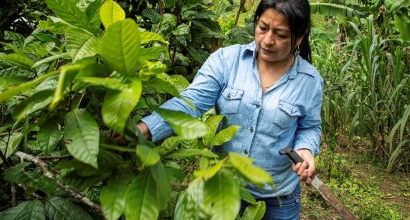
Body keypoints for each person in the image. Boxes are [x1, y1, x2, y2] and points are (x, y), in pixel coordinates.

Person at [137, 0, 323, 219]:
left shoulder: (309, 81)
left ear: (299, 37)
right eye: (263, 28)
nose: (267, 40)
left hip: (279, 200)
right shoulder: (227, 61)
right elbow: (190, 103)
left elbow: (310, 127)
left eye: (281, 35)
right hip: (224, 191)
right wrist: (144, 129)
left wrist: (305, 150)